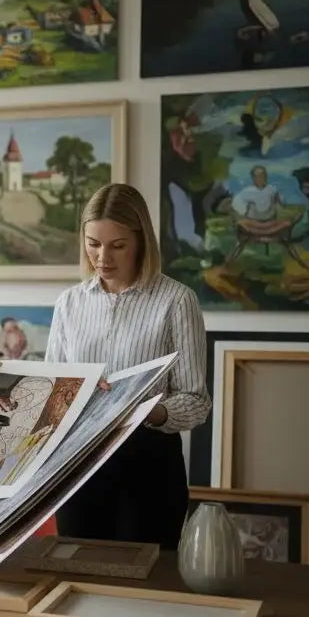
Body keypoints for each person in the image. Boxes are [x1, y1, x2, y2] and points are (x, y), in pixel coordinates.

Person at [47, 183, 211, 548]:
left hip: (148, 467)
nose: (102, 257)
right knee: (76, 584)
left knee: (142, 589)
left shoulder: (177, 301)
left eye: (117, 245)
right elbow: (54, 389)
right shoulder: (69, 304)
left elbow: (196, 402)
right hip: (77, 466)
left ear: (141, 241)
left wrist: (145, 411)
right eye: (93, 243)